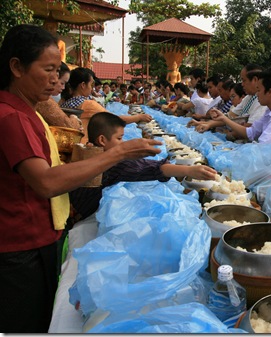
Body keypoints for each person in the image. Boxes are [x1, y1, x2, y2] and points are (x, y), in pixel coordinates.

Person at [0, 24, 162, 333]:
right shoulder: (11, 117)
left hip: (38, 235)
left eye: (57, 71)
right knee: (24, 324)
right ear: (16, 67)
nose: (56, 79)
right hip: (20, 245)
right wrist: (116, 154)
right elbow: (46, 182)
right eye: (48, 70)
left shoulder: (29, 111)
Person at [69, 112, 218, 222]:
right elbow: (154, 168)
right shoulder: (112, 164)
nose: (123, 143)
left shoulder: (86, 151)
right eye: (119, 139)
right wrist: (189, 170)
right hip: (81, 214)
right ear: (102, 140)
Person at [61, 67, 152, 143]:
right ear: (83, 85)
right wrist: (139, 117)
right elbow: (115, 120)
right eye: (91, 84)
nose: (92, 88)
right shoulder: (88, 104)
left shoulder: (64, 101)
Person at [209, 67, 271, 144]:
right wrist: (224, 118)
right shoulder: (270, 111)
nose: (257, 94)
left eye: (259, 90)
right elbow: (251, 132)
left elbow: (261, 148)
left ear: (269, 92)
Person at [35, 61, 82, 130]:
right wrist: (74, 118)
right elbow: (68, 126)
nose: (54, 80)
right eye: (62, 83)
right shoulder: (43, 100)